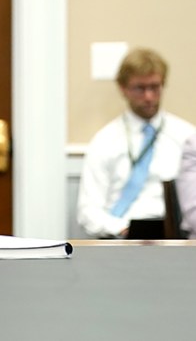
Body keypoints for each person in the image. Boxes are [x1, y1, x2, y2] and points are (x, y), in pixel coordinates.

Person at [77, 48, 195, 238]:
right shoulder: (105, 141)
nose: (148, 97)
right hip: (119, 238)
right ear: (123, 88)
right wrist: (121, 229)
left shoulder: (186, 137)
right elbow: (88, 211)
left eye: (155, 87)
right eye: (140, 88)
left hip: (174, 238)